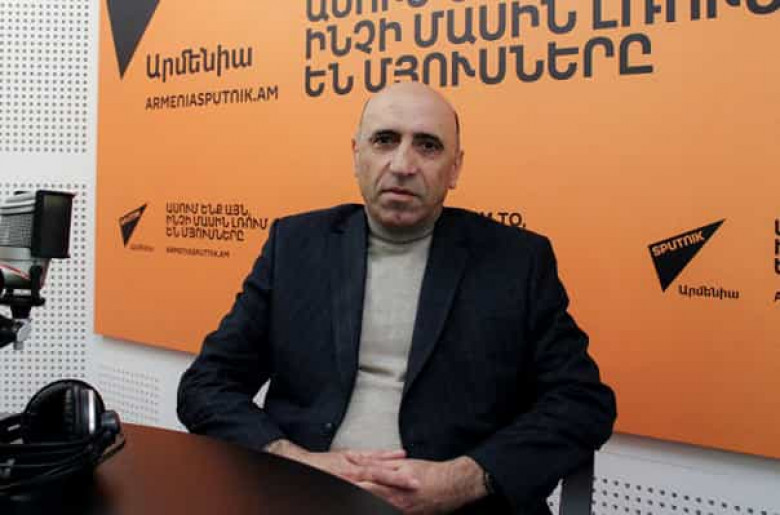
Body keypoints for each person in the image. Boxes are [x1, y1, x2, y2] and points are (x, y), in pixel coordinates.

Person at [177, 82, 616, 514]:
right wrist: (293, 461)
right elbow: (206, 385)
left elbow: (582, 402)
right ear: (357, 155)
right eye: (384, 140)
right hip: (305, 496)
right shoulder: (294, 246)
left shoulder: (517, 261)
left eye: (428, 146)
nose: (403, 164)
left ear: (455, 168)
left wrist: (464, 478)